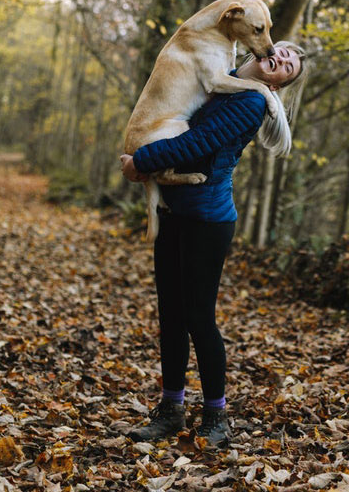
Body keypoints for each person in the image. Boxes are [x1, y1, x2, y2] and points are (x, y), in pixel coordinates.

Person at [119, 41, 307, 447]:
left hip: (208, 220)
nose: (282, 59)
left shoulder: (251, 105)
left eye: (288, 67)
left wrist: (141, 162)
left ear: (278, 85)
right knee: (170, 314)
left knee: (198, 317)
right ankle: (170, 410)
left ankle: (216, 417)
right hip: (172, 211)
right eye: (284, 51)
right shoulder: (218, 81)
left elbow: (197, 145)